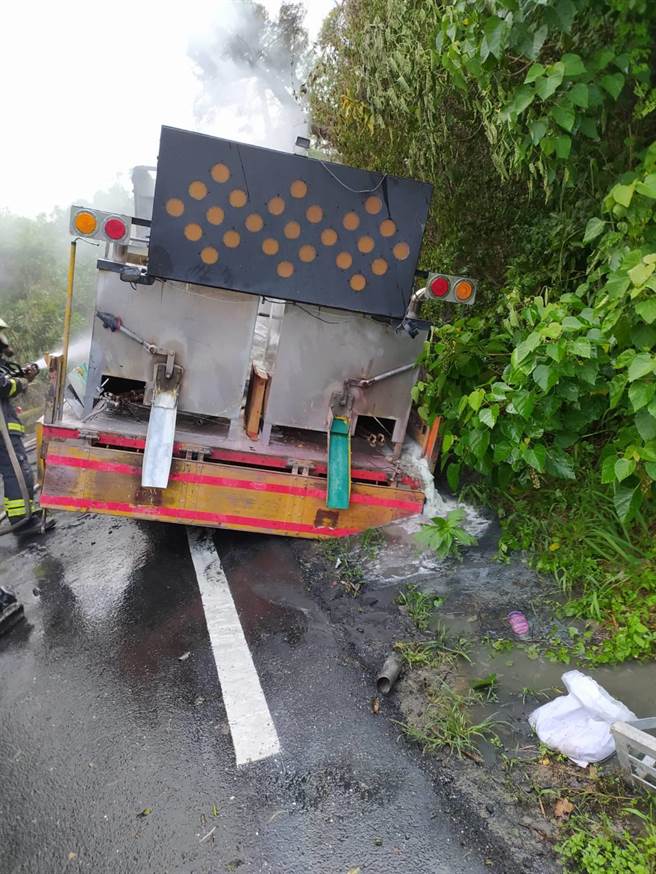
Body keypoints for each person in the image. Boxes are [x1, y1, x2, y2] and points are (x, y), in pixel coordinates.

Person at [0, 317, 54, 536]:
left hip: (5, 429)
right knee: (16, 472)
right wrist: (24, 381)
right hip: (2, 431)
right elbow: (4, 386)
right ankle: (22, 522)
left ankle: (26, 514)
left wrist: (21, 375)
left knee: (19, 470)